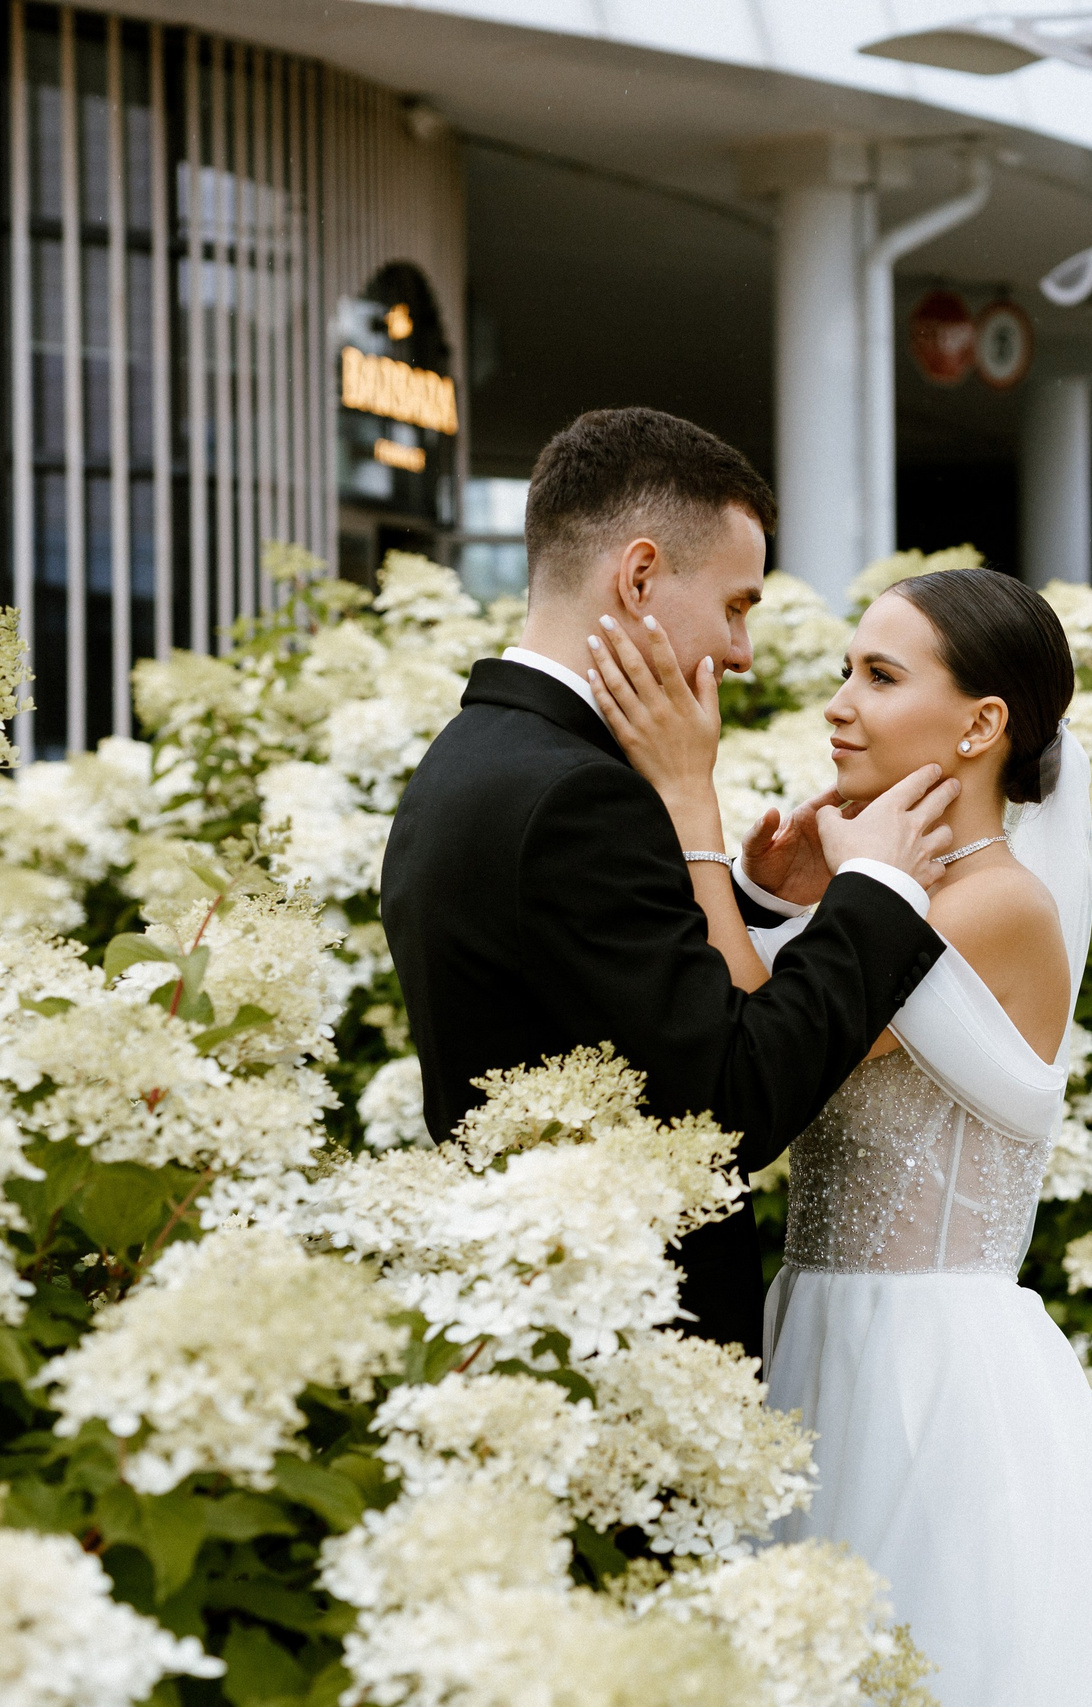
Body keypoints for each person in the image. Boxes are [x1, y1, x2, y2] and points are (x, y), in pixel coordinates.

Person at [585, 566, 1092, 1707]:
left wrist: (692, 809)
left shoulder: (994, 905)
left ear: (980, 724)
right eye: (843, 671)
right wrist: (778, 900)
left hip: (927, 1376)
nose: (838, 704)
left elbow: (758, 1033)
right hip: (820, 1331)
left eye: (879, 675)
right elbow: (783, 1019)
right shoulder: (895, 889)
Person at [380, 407, 961, 1352]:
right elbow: (727, 1106)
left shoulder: (474, 753)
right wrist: (879, 893)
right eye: (737, 604)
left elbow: (629, 1017)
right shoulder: (579, 799)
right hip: (620, 1354)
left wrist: (759, 900)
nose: (742, 652)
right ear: (640, 576)